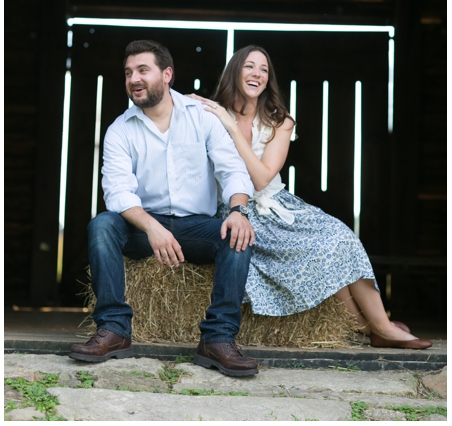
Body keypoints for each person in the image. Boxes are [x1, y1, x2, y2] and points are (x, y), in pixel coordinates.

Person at [190, 45, 431, 349]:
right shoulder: (208, 114)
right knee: (320, 251)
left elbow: (263, 177)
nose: (257, 74)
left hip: (277, 205)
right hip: (237, 211)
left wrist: (232, 128)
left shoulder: (280, 120)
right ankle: (373, 328)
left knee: (340, 239)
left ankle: (379, 325)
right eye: (249, 66)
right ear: (234, 71)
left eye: (264, 69)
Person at [70, 40, 260, 377]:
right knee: (102, 225)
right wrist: (152, 227)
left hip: (197, 227)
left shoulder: (202, 118)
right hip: (144, 228)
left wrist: (238, 211)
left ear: (167, 74)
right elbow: (117, 193)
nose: (134, 79)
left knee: (238, 235)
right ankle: (115, 330)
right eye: (129, 73)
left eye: (143, 70)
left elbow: (232, 170)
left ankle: (217, 339)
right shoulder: (119, 130)